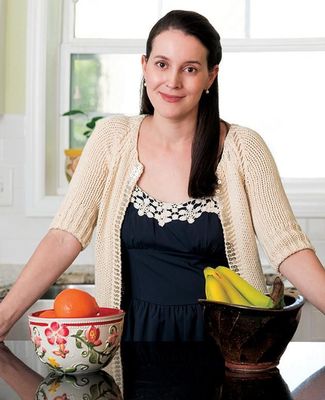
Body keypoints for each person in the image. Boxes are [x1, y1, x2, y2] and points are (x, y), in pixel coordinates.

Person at [1, 10, 325, 342]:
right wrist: (3, 318)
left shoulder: (244, 148)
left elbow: (288, 248)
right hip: (129, 340)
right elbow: (64, 236)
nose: (172, 81)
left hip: (225, 344)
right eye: (161, 64)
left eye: (190, 69)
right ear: (144, 66)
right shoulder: (112, 139)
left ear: (211, 77)